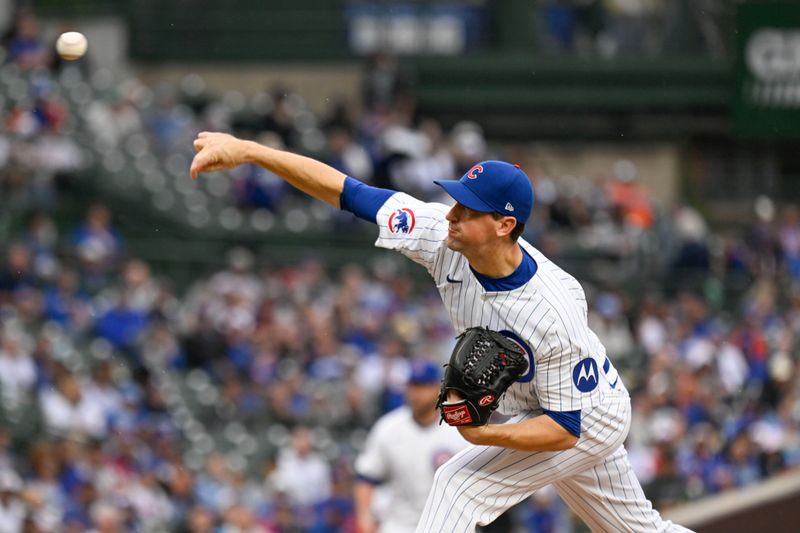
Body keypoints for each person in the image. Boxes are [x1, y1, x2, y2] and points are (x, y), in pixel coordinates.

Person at [190, 131, 694, 532]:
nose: (450, 215)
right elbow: (348, 191)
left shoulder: (552, 309)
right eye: (454, 201)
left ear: (503, 225)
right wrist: (251, 152)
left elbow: (566, 428)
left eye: (468, 209)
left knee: (460, 484)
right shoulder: (440, 236)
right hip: (535, 403)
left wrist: (483, 433)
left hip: (585, 415)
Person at [354, 360, 467, 533]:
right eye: (413, 386)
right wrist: (364, 517)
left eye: (423, 386)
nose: (416, 393)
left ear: (439, 389)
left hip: (449, 524)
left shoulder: (460, 428)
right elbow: (366, 477)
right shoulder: (388, 427)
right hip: (400, 525)